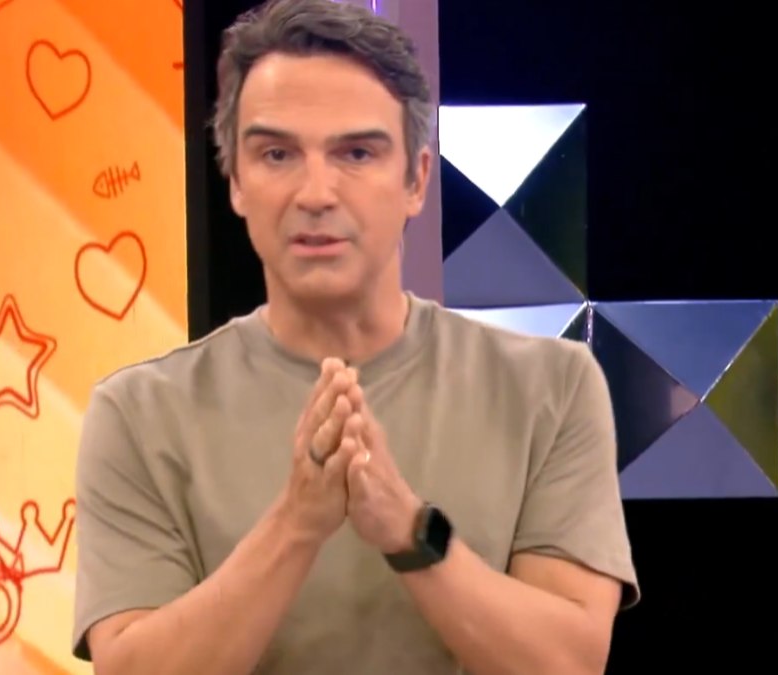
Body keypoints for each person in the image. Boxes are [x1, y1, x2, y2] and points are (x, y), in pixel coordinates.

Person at [70, 0, 639, 673]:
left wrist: (409, 529)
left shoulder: (552, 387)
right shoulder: (138, 414)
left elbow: (569, 662)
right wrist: (296, 524)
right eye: (277, 154)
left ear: (416, 180)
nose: (316, 192)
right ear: (236, 182)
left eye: (357, 153)